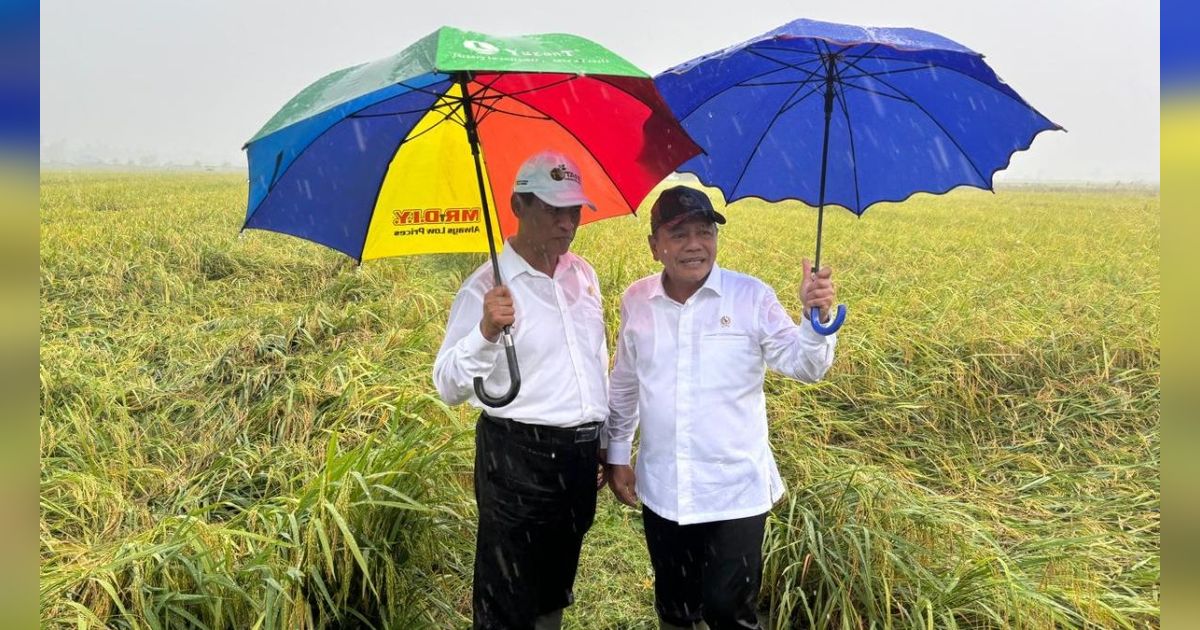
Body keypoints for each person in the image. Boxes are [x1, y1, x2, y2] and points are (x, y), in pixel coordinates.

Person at [604, 185, 838, 629]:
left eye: (705, 231)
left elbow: (805, 365)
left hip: (734, 492)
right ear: (655, 246)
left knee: (729, 613)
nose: (694, 245)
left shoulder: (750, 297)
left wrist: (816, 319)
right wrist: (616, 456)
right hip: (664, 489)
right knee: (676, 610)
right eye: (678, 234)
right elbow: (625, 384)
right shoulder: (637, 301)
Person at [433, 151, 609, 630]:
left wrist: (603, 439)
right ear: (518, 205)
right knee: (506, 598)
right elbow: (447, 383)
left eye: (574, 210)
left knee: (554, 588)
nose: (567, 223)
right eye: (553, 210)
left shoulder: (583, 275)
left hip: (577, 458)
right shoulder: (485, 288)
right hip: (515, 457)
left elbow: (595, 362)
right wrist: (486, 331)